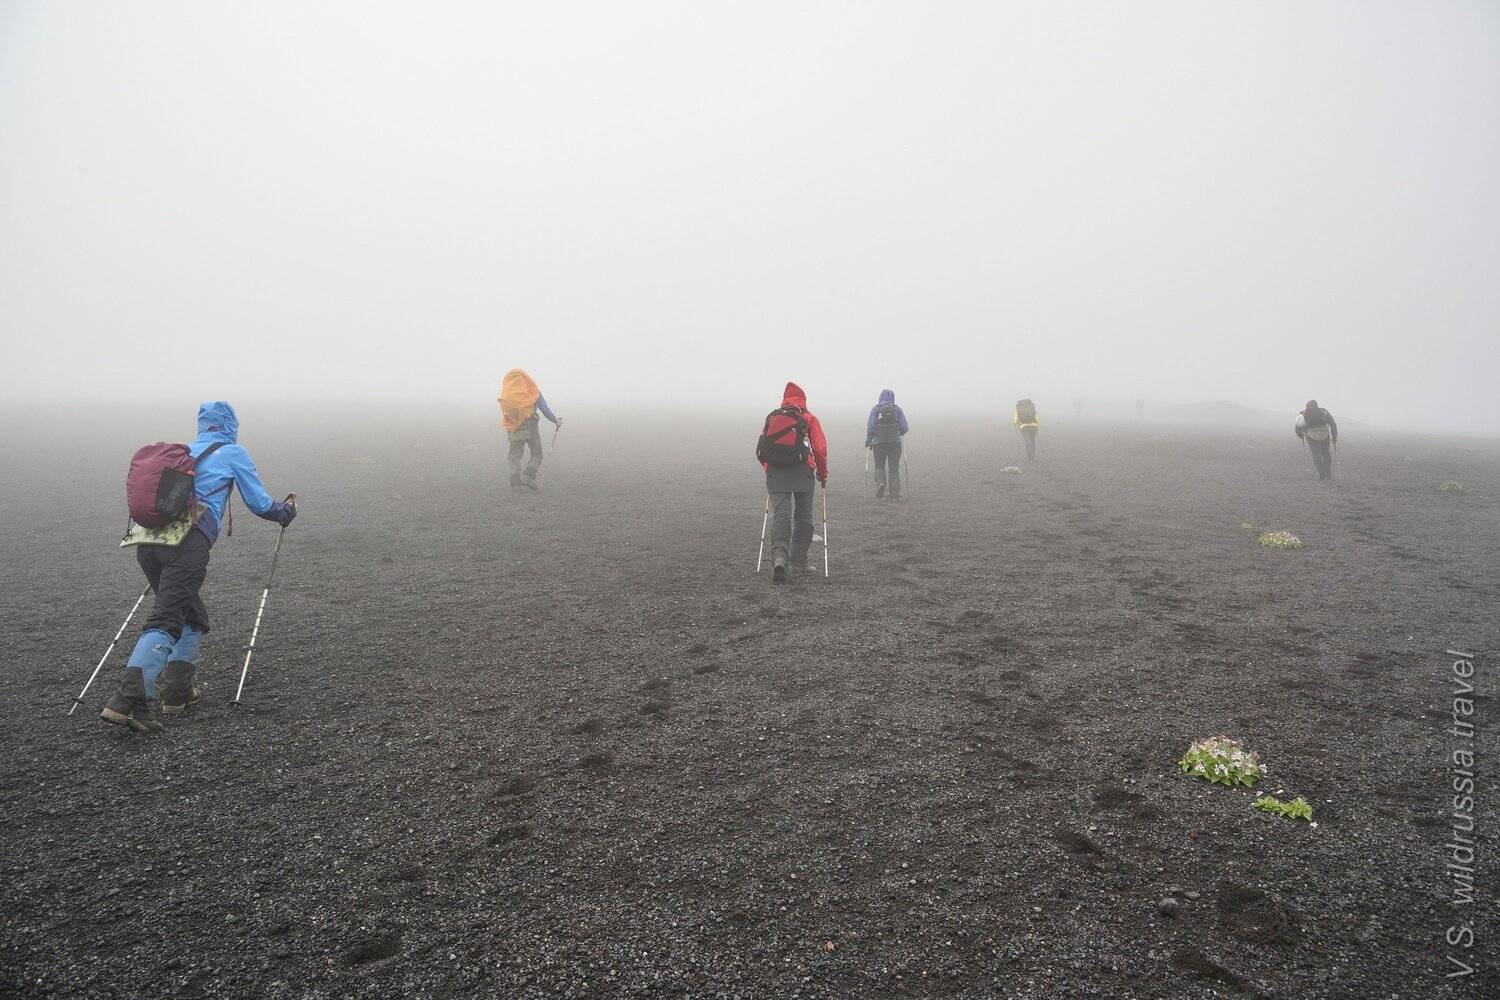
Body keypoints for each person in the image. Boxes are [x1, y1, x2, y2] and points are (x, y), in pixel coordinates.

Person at [102, 402, 296, 732]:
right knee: (168, 616)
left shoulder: (185, 452)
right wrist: (286, 512)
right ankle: (128, 700)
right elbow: (260, 504)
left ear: (202, 425)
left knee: (191, 615)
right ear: (231, 425)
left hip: (148, 542)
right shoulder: (233, 452)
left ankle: (177, 693)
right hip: (187, 545)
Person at [757, 381, 828, 583]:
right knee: (803, 516)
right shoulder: (808, 418)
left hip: (776, 473)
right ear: (803, 400)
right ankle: (798, 563)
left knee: (781, 514)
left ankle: (779, 558)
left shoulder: (773, 418)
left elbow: (763, 450)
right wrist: (822, 474)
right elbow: (820, 450)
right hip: (803, 472)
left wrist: (769, 469)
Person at [498, 368, 562, 491]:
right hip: (530, 427)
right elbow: (544, 408)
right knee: (537, 454)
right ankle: (528, 477)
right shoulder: (532, 391)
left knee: (514, 456)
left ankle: (515, 484)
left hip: (513, 429)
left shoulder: (507, 395)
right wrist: (556, 421)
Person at [864, 388, 909, 500]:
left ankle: (880, 483)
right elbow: (904, 427)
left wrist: (868, 440)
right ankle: (895, 494)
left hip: (879, 443)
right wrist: (900, 433)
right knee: (894, 468)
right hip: (895, 442)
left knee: (879, 466)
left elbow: (871, 427)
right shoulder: (897, 409)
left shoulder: (876, 409)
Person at [1295, 399, 1339, 481]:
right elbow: (1333, 424)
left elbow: (1298, 426)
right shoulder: (1324, 412)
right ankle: (1328, 474)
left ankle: (1321, 474)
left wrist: (1301, 436)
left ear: (1307, 406)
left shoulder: (1303, 413)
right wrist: (1334, 436)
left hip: (1311, 435)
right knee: (1326, 453)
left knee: (1316, 454)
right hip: (1325, 435)